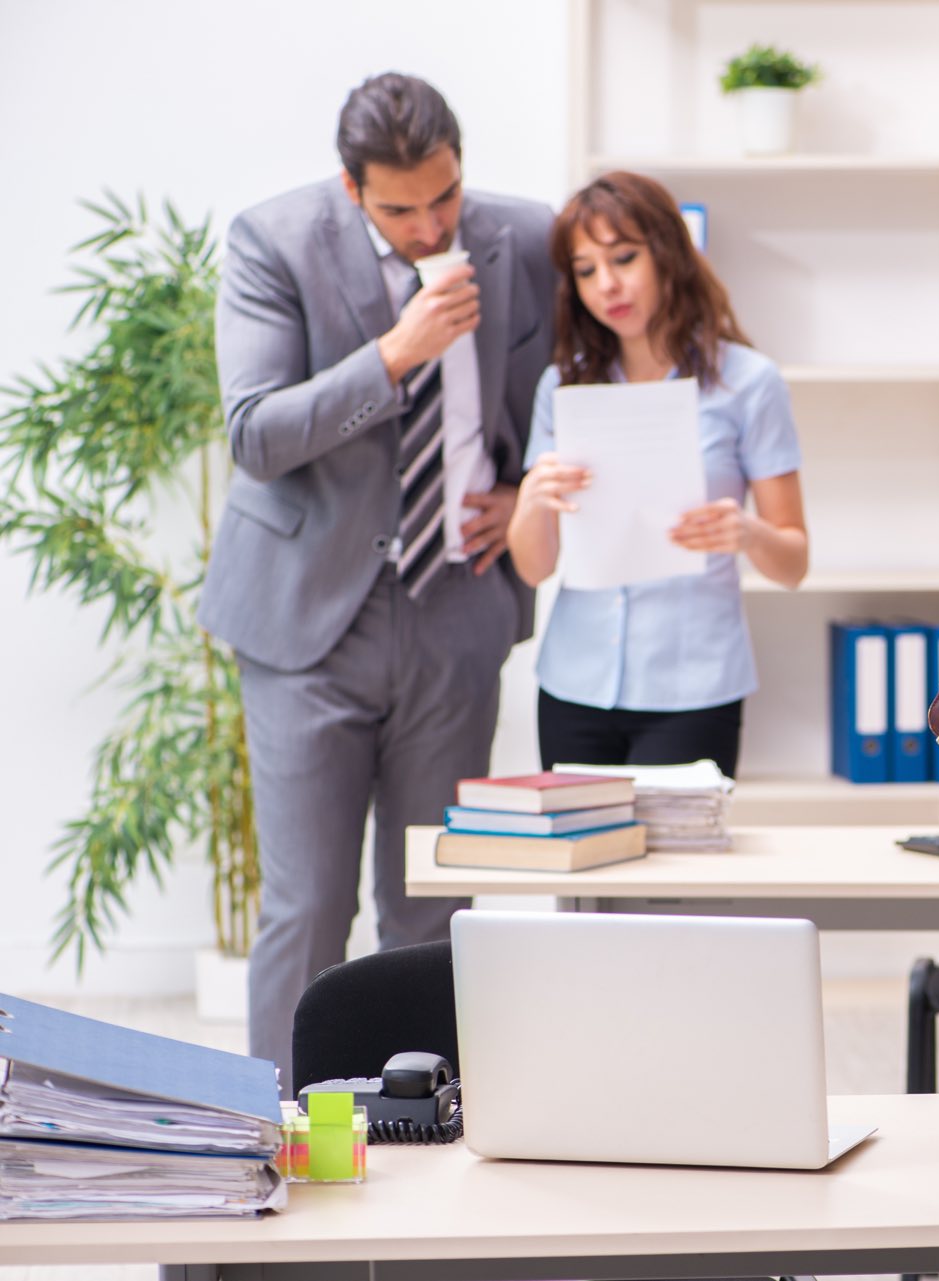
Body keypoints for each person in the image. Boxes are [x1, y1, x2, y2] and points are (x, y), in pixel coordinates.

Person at [200, 73, 556, 1091]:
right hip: (308, 622)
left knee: (434, 903)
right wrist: (398, 353)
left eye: (445, 197)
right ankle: (270, 1138)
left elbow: (588, 383)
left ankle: (426, 1132)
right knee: (307, 906)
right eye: (401, 208)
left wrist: (523, 487)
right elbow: (256, 434)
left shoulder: (523, 238)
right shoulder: (274, 242)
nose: (430, 224)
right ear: (352, 189)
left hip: (456, 613)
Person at [505, 171, 808, 778]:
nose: (608, 284)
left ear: (667, 252)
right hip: (574, 681)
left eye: (623, 257)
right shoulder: (564, 385)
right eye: (586, 270)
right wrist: (530, 501)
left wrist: (746, 534)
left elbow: (794, 562)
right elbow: (536, 567)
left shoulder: (748, 382)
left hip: (692, 688)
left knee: (674, 872)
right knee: (580, 870)